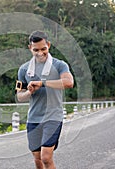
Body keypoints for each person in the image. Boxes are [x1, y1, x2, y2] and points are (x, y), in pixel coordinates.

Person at [16, 30, 74, 169]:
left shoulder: (60, 65)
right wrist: (29, 92)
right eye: (36, 50)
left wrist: (43, 83)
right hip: (34, 118)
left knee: (46, 157)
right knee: (37, 159)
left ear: (48, 45)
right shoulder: (24, 70)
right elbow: (20, 96)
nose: (40, 53)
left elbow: (68, 83)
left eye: (43, 49)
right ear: (30, 48)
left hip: (53, 117)